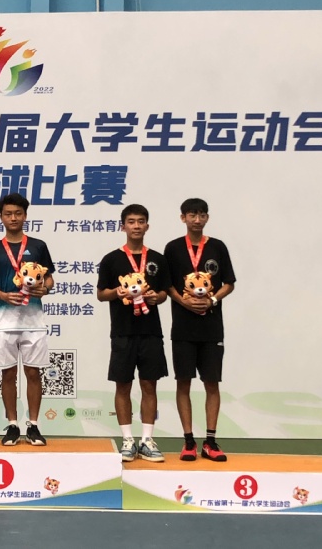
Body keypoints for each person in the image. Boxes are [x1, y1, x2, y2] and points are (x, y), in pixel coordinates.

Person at [96, 203, 171, 463]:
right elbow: (101, 294)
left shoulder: (158, 259)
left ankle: (147, 440)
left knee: (149, 385)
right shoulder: (111, 259)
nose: (136, 226)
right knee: (123, 385)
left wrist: (156, 297)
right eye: (131, 221)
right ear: (123, 226)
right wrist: (117, 293)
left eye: (140, 221)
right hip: (122, 332)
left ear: (147, 226)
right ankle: (127, 440)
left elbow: (165, 292)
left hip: (151, 332)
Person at [164, 198, 236, 462]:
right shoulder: (173, 248)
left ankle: (211, 441)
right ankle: (188, 441)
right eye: (192, 215)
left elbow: (229, 283)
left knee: (211, 383)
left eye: (202, 215)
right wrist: (183, 301)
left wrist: (212, 300)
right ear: (182, 218)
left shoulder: (217, 246)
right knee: (183, 382)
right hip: (183, 327)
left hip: (211, 327)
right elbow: (167, 285)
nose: (197, 219)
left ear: (207, 218)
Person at [0, 193, 55, 446]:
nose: (13, 218)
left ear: (25, 216)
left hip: (33, 320)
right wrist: (3, 295)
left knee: (33, 373)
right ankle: (12, 425)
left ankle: (33, 425)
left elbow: (49, 278)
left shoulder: (38, 246)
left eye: (18, 213)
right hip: (4, 320)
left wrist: (44, 289)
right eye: (8, 214)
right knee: (7, 374)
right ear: (1, 217)